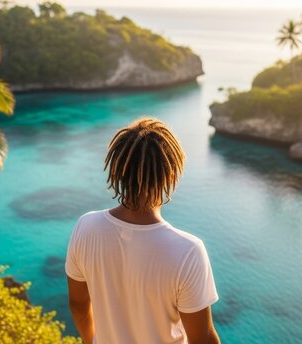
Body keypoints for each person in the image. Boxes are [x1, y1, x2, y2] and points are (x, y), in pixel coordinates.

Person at [65, 118, 220, 344]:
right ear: (170, 174)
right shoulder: (188, 251)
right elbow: (203, 339)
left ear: (117, 170)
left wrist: (92, 341)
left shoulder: (85, 227)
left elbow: (78, 305)